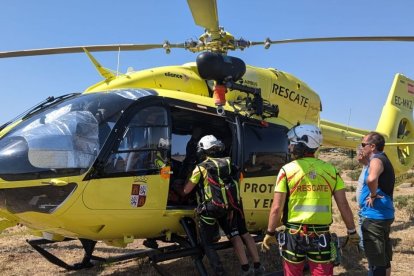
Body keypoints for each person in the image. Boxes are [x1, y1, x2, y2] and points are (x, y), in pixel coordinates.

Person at [262, 124, 359, 276]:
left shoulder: (286, 171)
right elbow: (343, 204)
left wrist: (270, 232)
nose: (289, 146)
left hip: (294, 236)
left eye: (292, 142)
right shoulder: (331, 171)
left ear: (303, 143)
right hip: (321, 237)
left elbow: (276, 208)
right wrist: (352, 231)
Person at [177, 135, 264, 276]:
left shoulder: (200, 168)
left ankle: (220, 272)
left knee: (208, 244)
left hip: (210, 209)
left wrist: (179, 188)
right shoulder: (229, 163)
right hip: (230, 207)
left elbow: (186, 191)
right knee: (237, 235)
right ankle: (250, 267)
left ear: (203, 150)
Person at [359, 132, 395, 276]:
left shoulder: (376, 160)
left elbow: (372, 179)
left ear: (372, 146)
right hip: (383, 215)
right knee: (384, 259)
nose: (361, 148)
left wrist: (373, 195)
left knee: (376, 262)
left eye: (363, 144)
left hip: (375, 217)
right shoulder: (381, 159)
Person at [356, 145, 369, 252]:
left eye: (359, 153)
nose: (357, 156)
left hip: (368, 209)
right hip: (363, 208)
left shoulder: (371, 168)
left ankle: (365, 250)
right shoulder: (365, 167)